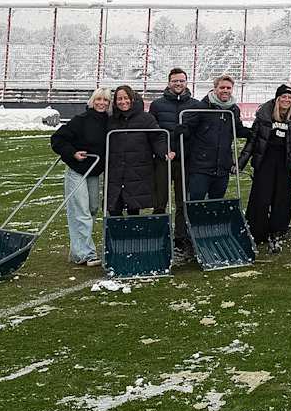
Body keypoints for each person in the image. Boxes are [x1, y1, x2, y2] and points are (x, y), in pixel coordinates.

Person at [238, 84, 291, 253]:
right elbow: (253, 141)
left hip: (286, 164)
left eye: (289, 98)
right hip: (265, 161)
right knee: (261, 197)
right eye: (283, 97)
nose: (286, 100)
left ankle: (278, 230)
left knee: (282, 199)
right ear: (277, 99)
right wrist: (240, 163)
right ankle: (257, 231)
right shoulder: (264, 115)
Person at [148, 67, 204, 262]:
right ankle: (158, 235)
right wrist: (163, 151)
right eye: (174, 81)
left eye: (181, 81)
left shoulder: (195, 105)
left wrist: (185, 140)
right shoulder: (157, 105)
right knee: (160, 200)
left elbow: (198, 134)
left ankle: (180, 238)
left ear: (186, 82)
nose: (178, 84)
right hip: (163, 160)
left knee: (182, 201)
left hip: (185, 160)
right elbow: (153, 133)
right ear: (169, 82)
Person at [50, 88, 110, 266]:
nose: (102, 103)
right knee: (81, 211)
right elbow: (58, 139)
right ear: (92, 101)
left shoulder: (110, 122)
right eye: (99, 99)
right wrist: (73, 153)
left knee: (92, 208)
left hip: (94, 171)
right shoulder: (80, 120)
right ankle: (85, 253)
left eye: (106, 100)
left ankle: (77, 251)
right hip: (77, 170)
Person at [181, 75, 250, 204]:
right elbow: (188, 128)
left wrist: (252, 132)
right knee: (195, 204)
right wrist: (182, 129)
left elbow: (237, 129)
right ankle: (193, 224)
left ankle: (212, 225)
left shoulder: (234, 109)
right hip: (201, 167)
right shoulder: (201, 107)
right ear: (215, 88)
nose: (225, 90)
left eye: (228, 88)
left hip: (222, 167)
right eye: (222, 87)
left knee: (216, 204)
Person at [106, 85, 172, 216]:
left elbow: (158, 137)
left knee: (133, 206)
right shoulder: (111, 120)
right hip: (116, 168)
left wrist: (164, 151)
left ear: (132, 99)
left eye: (126, 98)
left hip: (137, 168)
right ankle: (117, 234)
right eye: (119, 99)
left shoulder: (146, 118)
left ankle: (134, 235)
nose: (123, 101)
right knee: (114, 206)